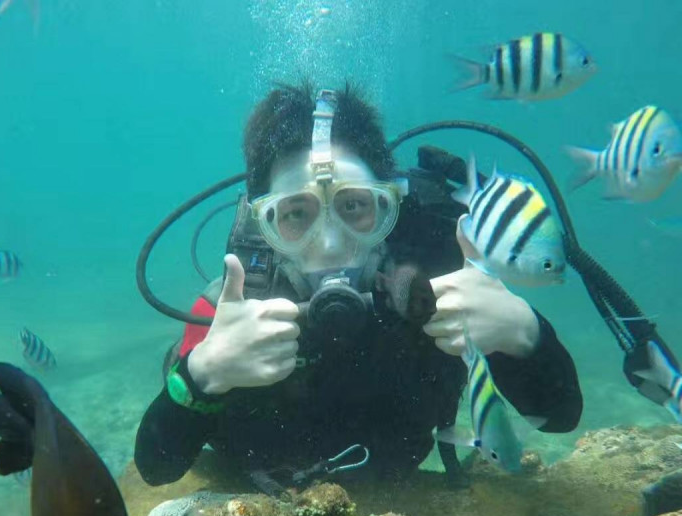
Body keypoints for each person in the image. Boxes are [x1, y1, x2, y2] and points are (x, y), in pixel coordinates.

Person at [134, 82, 582, 489]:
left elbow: (560, 417)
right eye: (295, 214)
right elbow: (156, 468)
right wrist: (203, 373)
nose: (330, 244)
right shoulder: (227, 311)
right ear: (263, 225)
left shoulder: (443, 291)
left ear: (390, 208)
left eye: (354, 206)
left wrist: (522, 331)